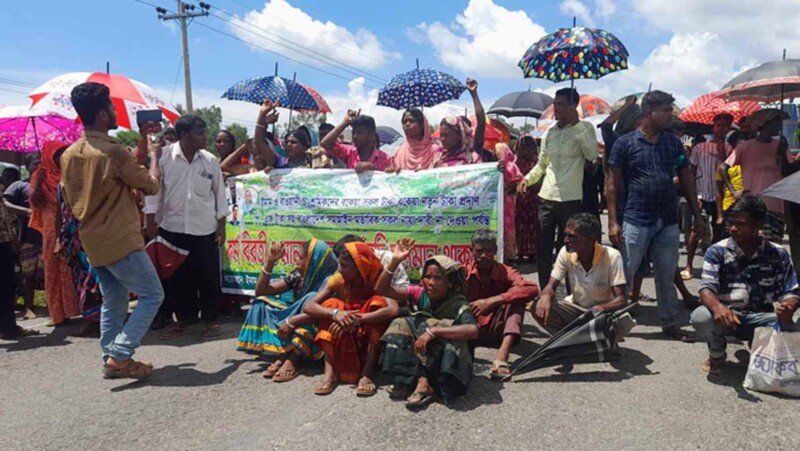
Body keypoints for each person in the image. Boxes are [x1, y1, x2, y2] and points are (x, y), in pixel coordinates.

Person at [61, 82, 163, 379]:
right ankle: (120, 353)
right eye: (112, 106)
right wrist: (154, 156)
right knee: (152, 295)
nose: (115, 111)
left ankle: (111, 358)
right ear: (104, 115)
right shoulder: (113, 152)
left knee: (114, 300)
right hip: (120, 239)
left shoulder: (69, 155)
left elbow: (72, 197)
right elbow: (150, 184)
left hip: (92, 239)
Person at [606, 90, 706, 340]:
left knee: (665, 272)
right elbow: (611, 185)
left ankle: (669, 322)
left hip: (667, 220)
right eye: (665, 110)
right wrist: (613, 221)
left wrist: (698, 215)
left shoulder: (673, 143)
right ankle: (613, 324)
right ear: (649, 112)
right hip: (636, 218)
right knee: (625, 274)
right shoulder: (625, 143)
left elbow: (686, 179)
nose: (669, 114)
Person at [691, 195, 800, 374]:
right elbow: (706, 288)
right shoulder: (717, 251)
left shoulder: (777, 253)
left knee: (796, 324)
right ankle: (717, 355)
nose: (733, 228)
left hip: (762, 317)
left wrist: (789, 307)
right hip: (727, 316)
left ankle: (758, 349)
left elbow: (790, 290)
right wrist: (718, 307)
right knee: (701, 317)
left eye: (740, 224)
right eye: (731, 222)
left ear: (758, 225)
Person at [145, 115, 229, 340]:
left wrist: (222, 226)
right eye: (200, 133)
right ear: (184, 136)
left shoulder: (210, 160)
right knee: (178, 277)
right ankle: (185, 318)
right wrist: (150, 219)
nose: (205, 137)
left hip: (204, 228)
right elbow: (155, 190)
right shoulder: (163, 157)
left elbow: (219, 193)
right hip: (172, 227)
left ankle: (210, 320)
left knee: (208, 276)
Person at [375, 239, 478, 408]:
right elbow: (382, 290)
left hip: (446, 359)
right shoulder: (420, 293)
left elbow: (473, 330)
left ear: (450, 282)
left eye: (437, 278)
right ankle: (415, 381)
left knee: (440, 326)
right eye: (427, 277)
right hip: (423, 349)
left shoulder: (458, 303)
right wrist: (394, 261)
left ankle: (429, 384)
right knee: (400, 324)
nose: (430, 282)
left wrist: (434, 331)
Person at [518, 88, 599, 289]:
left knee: (571, 248)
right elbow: (542, 164)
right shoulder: (550, 132)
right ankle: (546, 291)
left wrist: (576, 125)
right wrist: (526, 179)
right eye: (555, 103)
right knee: (543, 249)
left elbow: (591, 155)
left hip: (570, 198)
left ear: (573, 106)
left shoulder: (585, 128)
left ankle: (573, 292)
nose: (556, 107)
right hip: (546, 197)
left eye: (561, 103)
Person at [303, 242, 399, 397]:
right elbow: (309, 306)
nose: (340, 269)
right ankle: (330, 373)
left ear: (360, 266)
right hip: (344, 327)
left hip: (365, 329)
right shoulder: (338, 279)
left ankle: (367, 373)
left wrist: (358, 318)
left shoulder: (377, 277)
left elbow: (393, 309)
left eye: (344, 265)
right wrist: (335, 314)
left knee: (377, 303)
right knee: (330, 305)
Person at [237, 239, 338, 382]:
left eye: (302, 258)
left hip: (313, 322)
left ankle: (293, 359)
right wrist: (270, 262)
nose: (297, 260)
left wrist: (291, 321)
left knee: (311, 299)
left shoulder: (331, 281)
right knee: (260, 302)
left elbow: (323, 312)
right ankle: (283, 352)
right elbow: (261, 291)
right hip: (296, 316)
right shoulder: (298, 276)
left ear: (313, 261)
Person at [533, 213, 632, 338]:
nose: (566, 240)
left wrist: (601, 308)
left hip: (601, 314)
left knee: (613, 325)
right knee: (537, 306)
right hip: (577, 310)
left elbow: (622, 300)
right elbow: (551, 285)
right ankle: (571, 341)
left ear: (591, 239)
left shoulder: (612, 256)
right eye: (566, 235)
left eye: (572, 236)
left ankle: (580, 341)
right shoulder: (565, 252)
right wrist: (546, 295)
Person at [467, 229, 538, 379]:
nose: (484, 255)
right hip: (470, 328)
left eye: (488, 250)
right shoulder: (463, 272)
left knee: (517, 301)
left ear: (495, 251)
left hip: (497, 329)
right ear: (471, 250)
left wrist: (493, 300)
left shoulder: (505, 271)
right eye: (479, 251)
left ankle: (503, 354)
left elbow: (531, 288)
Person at [720, 109, 791, 243]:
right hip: (752, 204)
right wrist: (733, 191)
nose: (779, 126)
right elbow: (723, 168)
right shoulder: (745, 147)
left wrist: (782, 154)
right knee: (752, 244)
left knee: (772, 247)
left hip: (775, 205)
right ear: (765, 125)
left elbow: (788, 171)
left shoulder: (781, 146)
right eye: (776, 123)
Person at [29, 141, 80, 327]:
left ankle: (76, 308)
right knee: (52, 269)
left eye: (64, 153)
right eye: (58, 154)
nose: (62, 157)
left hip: (71, 223)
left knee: (73, 266)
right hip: (51, 227)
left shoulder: (71, 172)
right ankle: (58, 313)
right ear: (49, 156)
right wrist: (40, 182)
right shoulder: (39, 175)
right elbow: (34, 203)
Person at [681, 113, 733, 280]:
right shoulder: (700, 148)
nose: (721, 128)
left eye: (725, 125)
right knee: (697, 230)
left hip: (720, 198)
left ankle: (714, 265)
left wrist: (723, 153)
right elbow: (692, 172)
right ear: (713, 127)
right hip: (702, 195)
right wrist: (694, 195)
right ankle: (689, 265)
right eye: (719, 125)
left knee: (718, 232)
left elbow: (730, 172)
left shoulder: (730, 149)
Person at [57, 183, 103, 337]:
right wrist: (59, 239)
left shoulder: (91, 177)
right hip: (73, 240)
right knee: (81, 281)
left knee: (96, 280)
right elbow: (60, 212)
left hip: (93, 236)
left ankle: (102, 321)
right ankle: (92, 320)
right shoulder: (62, 184)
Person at [3, 155, 41, 320]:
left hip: (47, 235)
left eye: (41, 162)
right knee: (28, 273)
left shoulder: (47, 183)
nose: (39, 166)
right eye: (35, 163)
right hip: (28, 235)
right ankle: (29, 307)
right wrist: (26, 211)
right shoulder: (19, 185)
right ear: (27, 166)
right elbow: (5, 204)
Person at [433, 79, 487, 167]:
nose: (442, 139)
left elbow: (481, 123)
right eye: (441, 135)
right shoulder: (438, 157)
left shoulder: (471, 155)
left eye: (446, 135)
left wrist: (474, 94)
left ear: (459, 135)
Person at [321, 110, 392, 173]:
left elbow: (390, 182)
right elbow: (325, 143)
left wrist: (373, 170)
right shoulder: (349, 152)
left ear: (371, 135)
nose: (355, 136)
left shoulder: (385, 159)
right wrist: (345, 122)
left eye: (359, 133)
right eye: (353, 132)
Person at [495, 143, 524, 261]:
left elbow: (519, 181)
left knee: (508, 227)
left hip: (508, 203)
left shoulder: (512, 166)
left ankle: (509, 254)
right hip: (498, 202)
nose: (497, 155)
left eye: (498, 152)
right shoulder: (495, 166)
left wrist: (509, 188)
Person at [514, 136, 540, 262]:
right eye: (523, 147)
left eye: (528, 146)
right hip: (519, 201)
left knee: (533, 225)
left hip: (534, 200)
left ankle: (533, 253)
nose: (526, 150)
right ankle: (519, 252)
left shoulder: (537, 162)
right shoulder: (515, 162)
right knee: (519, 225)